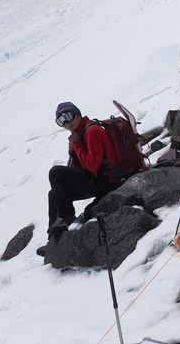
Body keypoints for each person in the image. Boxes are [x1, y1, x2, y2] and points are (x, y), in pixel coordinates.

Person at [37, 102, 121, 256]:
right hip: (95, 180)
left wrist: (76, 145)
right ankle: (53, 241)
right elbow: (82, 168)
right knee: (53, 194)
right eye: (60, 121)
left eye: (68, 116)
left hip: (106, 182)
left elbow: (93, 166)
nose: (66, 123)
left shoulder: (92, 131)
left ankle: (67, 220)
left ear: (77, 113)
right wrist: (74, 152)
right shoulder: (80, 133)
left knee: (55, 172)